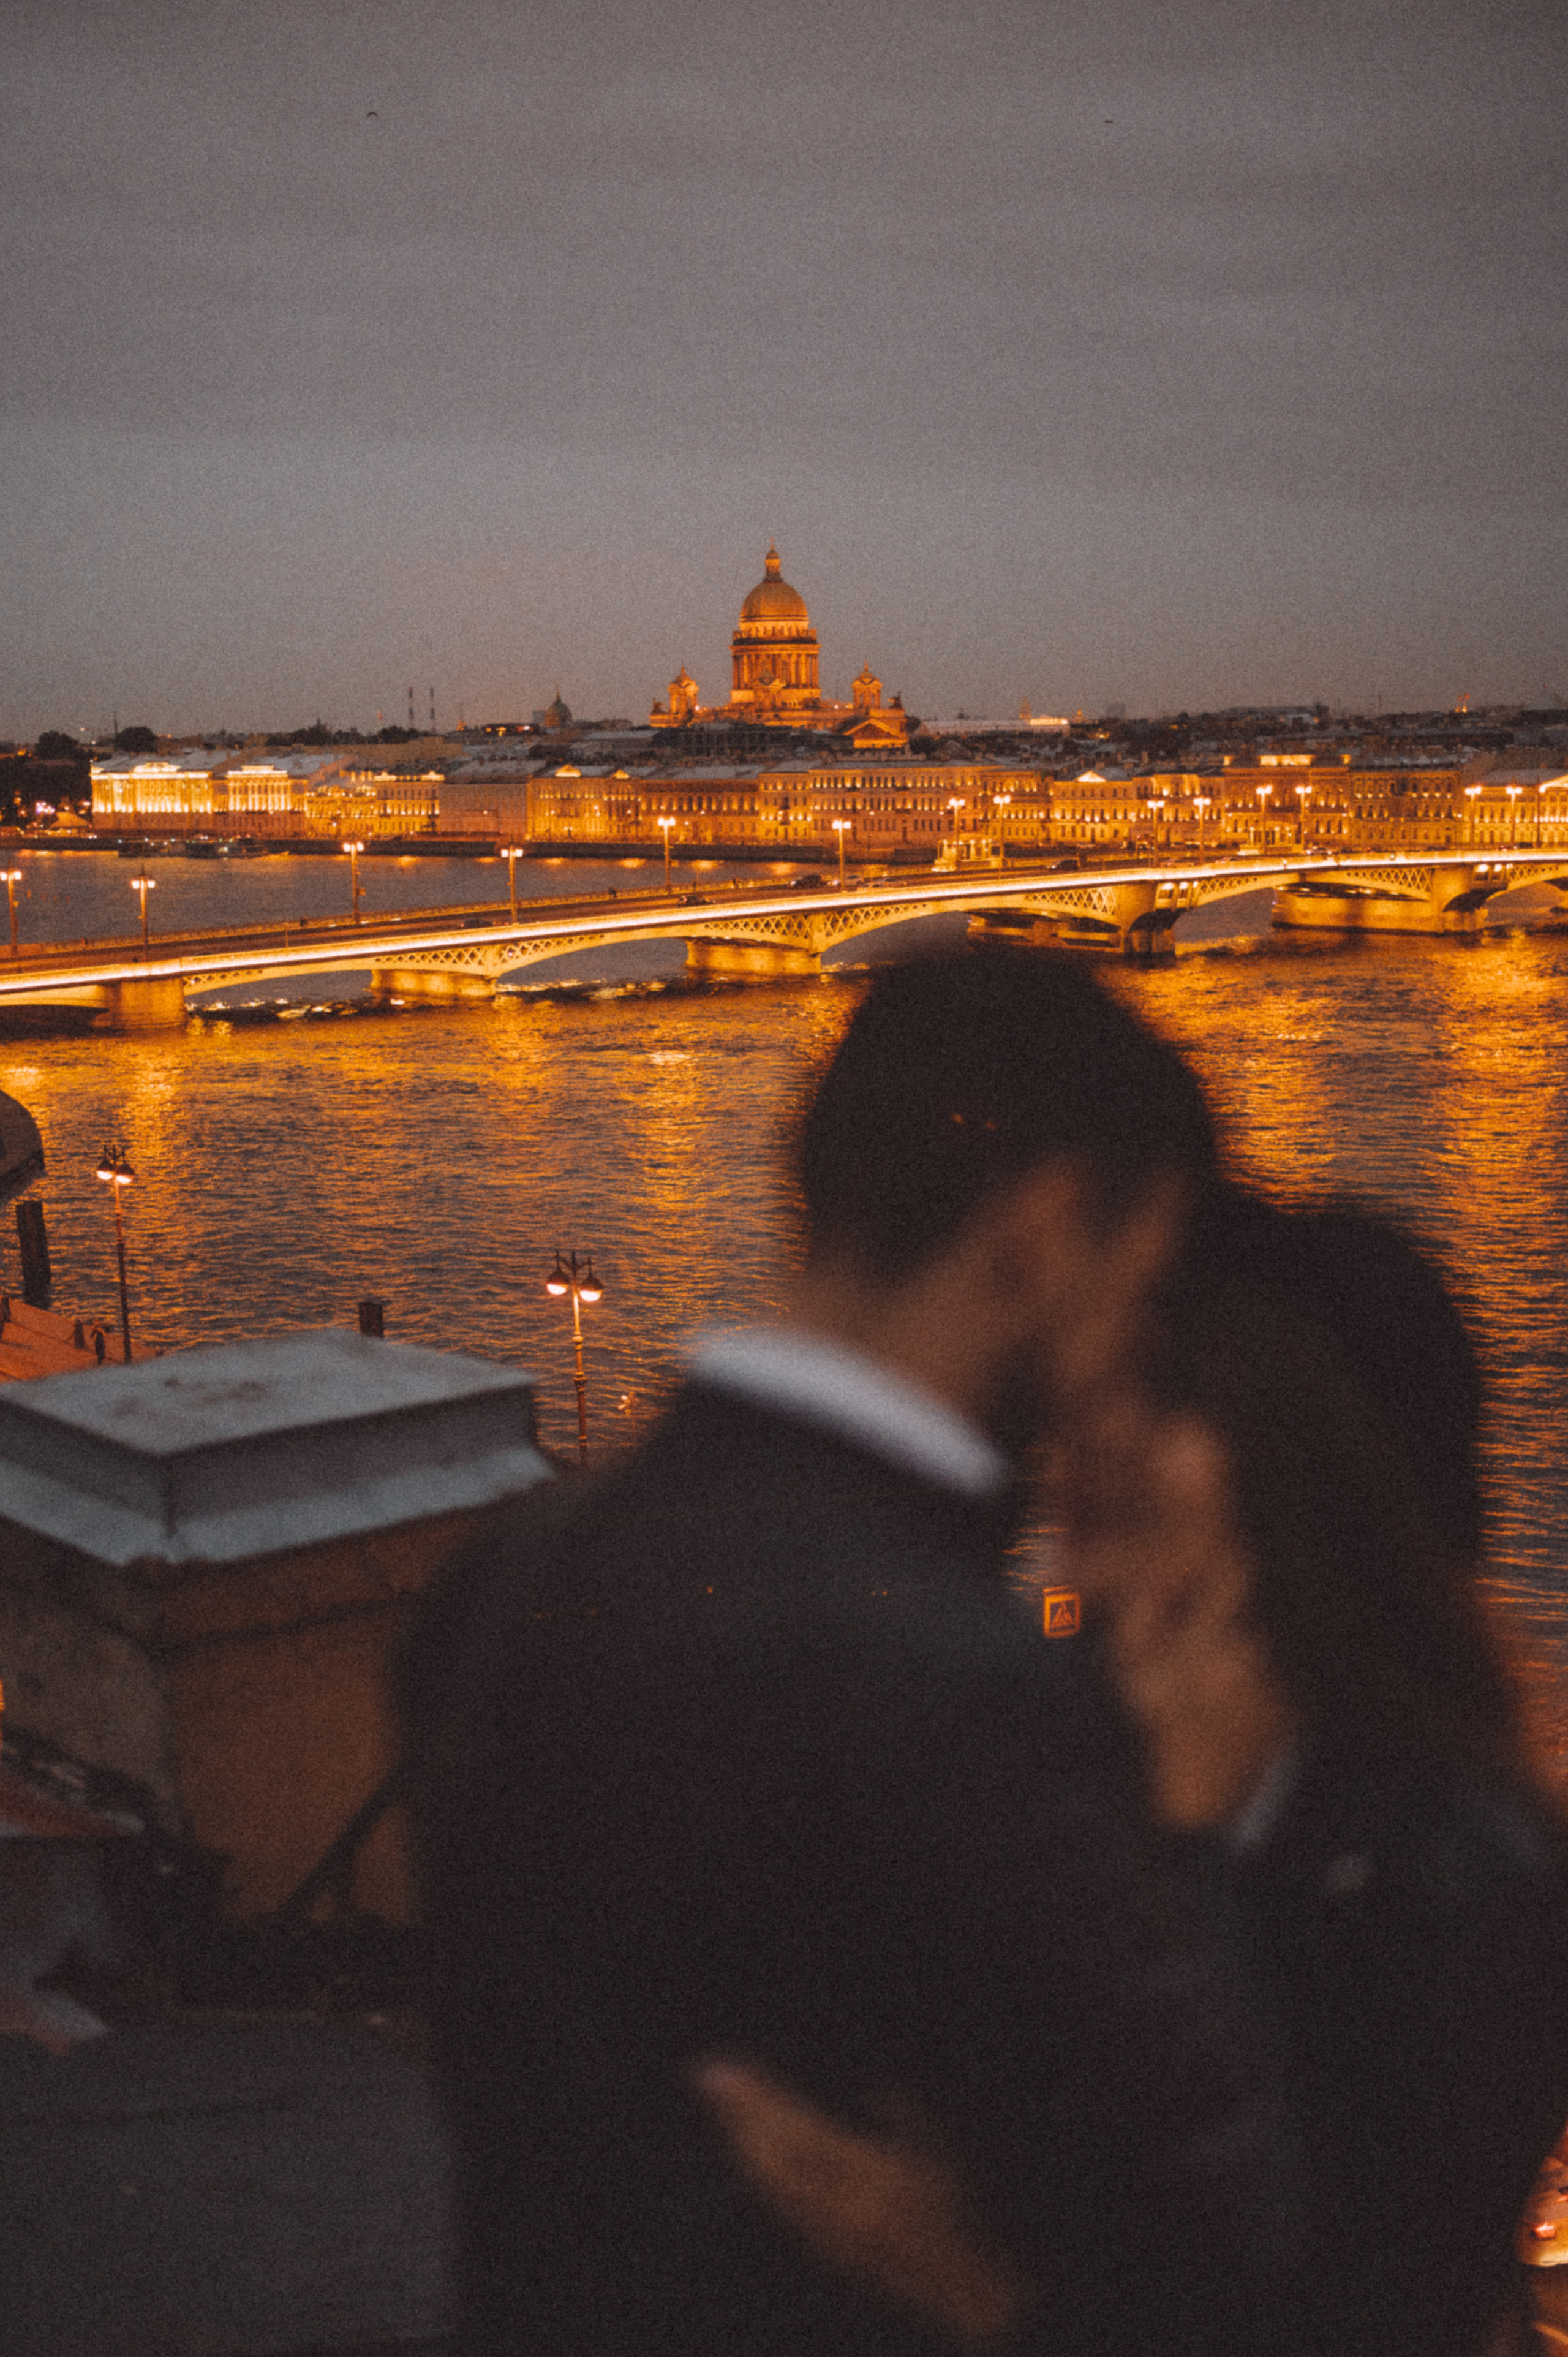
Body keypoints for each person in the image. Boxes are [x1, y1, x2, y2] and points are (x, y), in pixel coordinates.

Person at [400, 950, 1300, 2357]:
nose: (1118, 1370)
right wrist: (1183, 1831)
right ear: (1044, 1232)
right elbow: (1207, 2257)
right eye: (1131, 1292)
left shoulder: (508, 1572)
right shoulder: (961, 1683)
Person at [698, 1195, 1568, 2357]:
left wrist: (979, 2292)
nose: (1093, 1428)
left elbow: (1352, 2298)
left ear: (1311, 1470)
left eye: (1164, 1389)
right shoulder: (1015, 1772)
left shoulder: (1459, 1881)